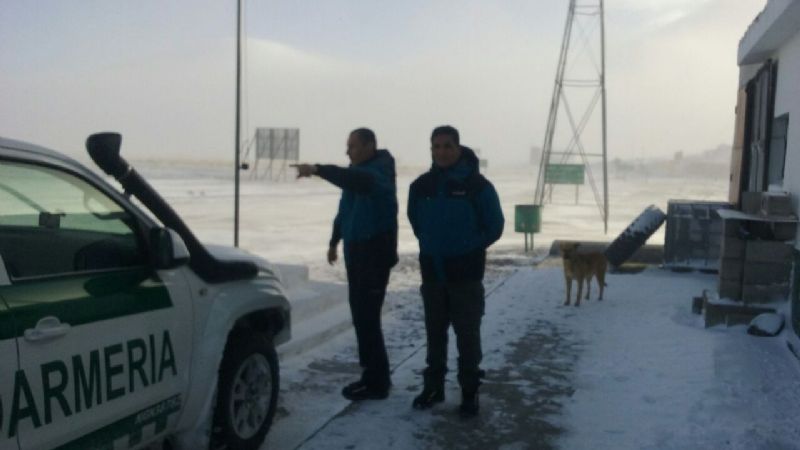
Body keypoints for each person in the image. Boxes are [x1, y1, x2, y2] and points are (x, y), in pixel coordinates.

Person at [293, 128, 398, 401]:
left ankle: (376, 382)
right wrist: (333, 241)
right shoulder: (357, 173)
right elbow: (345, 211)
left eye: (352, 146)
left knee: (368, 320)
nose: (347, 151)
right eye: (347, 146)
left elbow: (357, 181)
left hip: (374, 257)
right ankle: (374, 376)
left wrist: (317, 169)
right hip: (357, 255)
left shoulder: (378, 173)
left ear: (370, 146)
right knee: (362, 318)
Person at [407, 125, 504, 417]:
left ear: (459, 149)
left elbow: (495, 225)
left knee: (467, 337)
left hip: (466, 276)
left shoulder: (478, 186)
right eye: (436, 146)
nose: (442, 152)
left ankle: (469, 391)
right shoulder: (420, 186)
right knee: (435, 334)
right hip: (433, 274)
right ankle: (433, 387)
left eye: (447, 146)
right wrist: (431, 244)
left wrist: (469, 245)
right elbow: (416, 221)